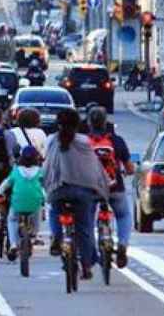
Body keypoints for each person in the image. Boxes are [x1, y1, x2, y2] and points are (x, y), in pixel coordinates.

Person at [42, 107, 111, 280]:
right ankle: (86, 266)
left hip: (58, 189)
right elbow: (94, 167)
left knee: (54, 211)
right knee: (84, 228)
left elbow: (47, 165)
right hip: (83, 191)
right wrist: (101, 187)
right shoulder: (84, 141)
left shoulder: (52, 140)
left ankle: (57, 237)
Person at [87, 106, 134, 268]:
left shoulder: (84, 142)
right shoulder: (116, 141)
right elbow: (129, 168)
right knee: (123, 215)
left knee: (87, 220)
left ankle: (91, 252)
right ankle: (122, 244)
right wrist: (128, 171)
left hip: (91, 189)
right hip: (115, 188)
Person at [0, 145, 45, 261]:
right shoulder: (39, 171)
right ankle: (34, 235)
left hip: (17, 203)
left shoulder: (16, 171)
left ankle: (13, 244)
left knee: (12, 219)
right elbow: (44, 187)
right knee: (38, 214)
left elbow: (6, 184)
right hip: (34, 203)